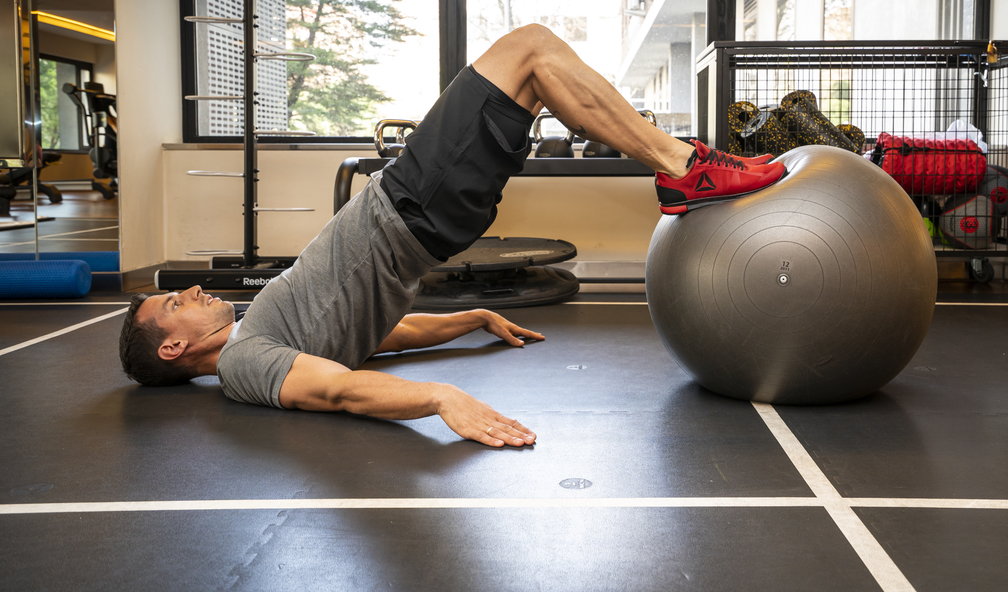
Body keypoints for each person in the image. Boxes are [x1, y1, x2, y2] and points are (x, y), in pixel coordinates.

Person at [118, 24, 787, 447]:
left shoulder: (262, 334)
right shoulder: (243, 364)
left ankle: (680, 162)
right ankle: (682, 165)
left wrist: (468, 318)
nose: (195, 290)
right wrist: (441, 397)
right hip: (409, 206)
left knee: (533, 73)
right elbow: (337, 390)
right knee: (530, 49)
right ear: (174, 347)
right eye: (175, 304)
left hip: (417, 213)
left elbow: (373, 335)